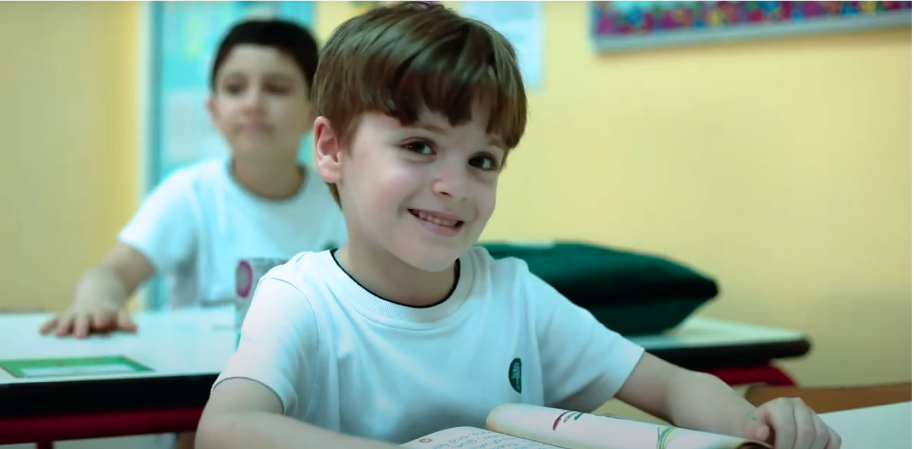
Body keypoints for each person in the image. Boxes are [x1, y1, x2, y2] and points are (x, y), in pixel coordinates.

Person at [195, 3, 842, 449]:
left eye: (482, 160)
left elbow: (672, 384)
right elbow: (224, 429)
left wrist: (754, 423)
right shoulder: (300, 297)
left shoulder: (513, 295)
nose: (453, 183)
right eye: (420, 145)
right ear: (332, 149)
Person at [39, 18, 346, 338]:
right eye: (235, 88)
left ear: (314, 112)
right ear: (214, 110)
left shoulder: (341, 202)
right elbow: (111, 272)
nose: (253, 103)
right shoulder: (191, 194)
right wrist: (96, 301)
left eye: (276, 89)